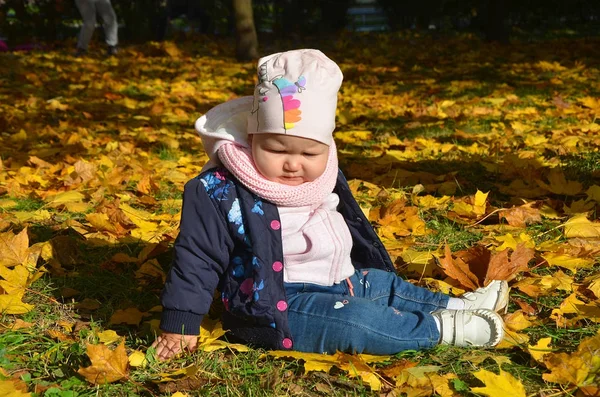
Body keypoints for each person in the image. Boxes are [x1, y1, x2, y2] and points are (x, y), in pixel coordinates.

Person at [152, 49, 508, 360]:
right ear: (253, 137)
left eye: (309, 152)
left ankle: (461, 306)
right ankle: (439, 329)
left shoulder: (323, 170)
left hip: (342, 280)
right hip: (281, 304)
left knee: (386, 285)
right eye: (276, 150)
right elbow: (197, 256)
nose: (294, 164)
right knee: (357, 322)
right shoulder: (221, 188)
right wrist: (180, 322)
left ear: (327, 147)